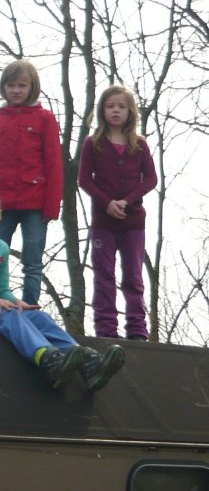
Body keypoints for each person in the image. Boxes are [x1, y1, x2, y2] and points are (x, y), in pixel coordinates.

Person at [0, 186, 124, 391]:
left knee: (39, 317)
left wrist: (16, 302)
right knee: (9, 315)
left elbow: (1, 291)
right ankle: (48, 359)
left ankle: (86, 361)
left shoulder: (1, 247)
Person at [0, 59, 63, 305]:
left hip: (35, 203)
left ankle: (31, 308)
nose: (16, 90)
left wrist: (52, 206)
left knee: (33, 261)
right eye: (11, 85)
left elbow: (54, 165)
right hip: (0, 204)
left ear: (32, 87)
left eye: (22, 85)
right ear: (3, 87)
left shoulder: (44, 119)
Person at [78, 85, 157, 340]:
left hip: (133, 223)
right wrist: (107, 203)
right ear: (102, 110)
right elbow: (84, 180)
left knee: (133, 276)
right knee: (104, 275)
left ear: (130, 111)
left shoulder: (140, 145)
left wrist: (127, 201)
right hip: (103, 222)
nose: (116, 111)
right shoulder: (93, 143)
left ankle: (137, 329)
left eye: (121, 106)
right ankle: (106, 329)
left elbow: (151, 179)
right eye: (110, 106)